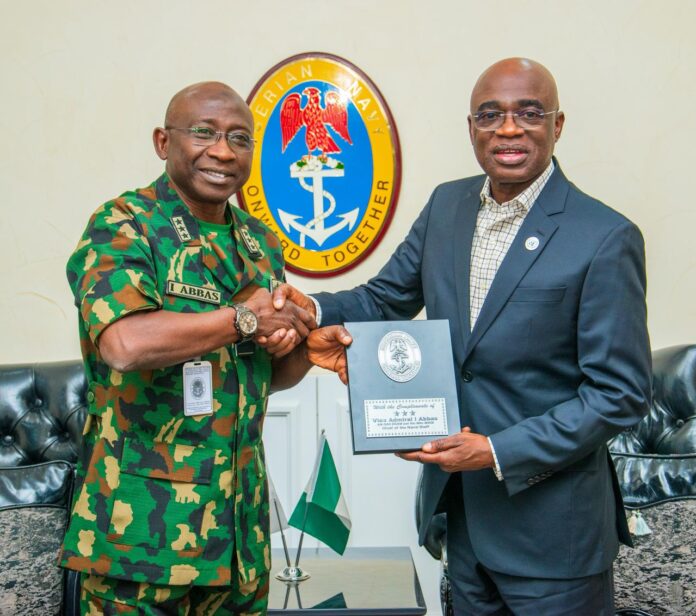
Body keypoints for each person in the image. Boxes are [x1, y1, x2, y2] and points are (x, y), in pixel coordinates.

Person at [276, 58, 652, 614]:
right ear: (472, 127)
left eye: (529, 113)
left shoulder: (605, 236)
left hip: (554, 539)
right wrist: (307, 307)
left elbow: (619, 394)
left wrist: (497, 451)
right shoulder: (446, 206)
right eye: (490, 115)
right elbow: (384, 298)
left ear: (557, 124)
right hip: (463, 523)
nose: (508, 129)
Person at [59, 81, 315, 615]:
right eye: (204, 133)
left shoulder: (260, 243)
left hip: (239, 535)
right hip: (141, 539)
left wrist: (304, 347)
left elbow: (266, 374)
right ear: (163, 141)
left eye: (239, 138)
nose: (223, 151)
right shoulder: (124, 224)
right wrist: (244, 318)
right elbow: (125, 344)